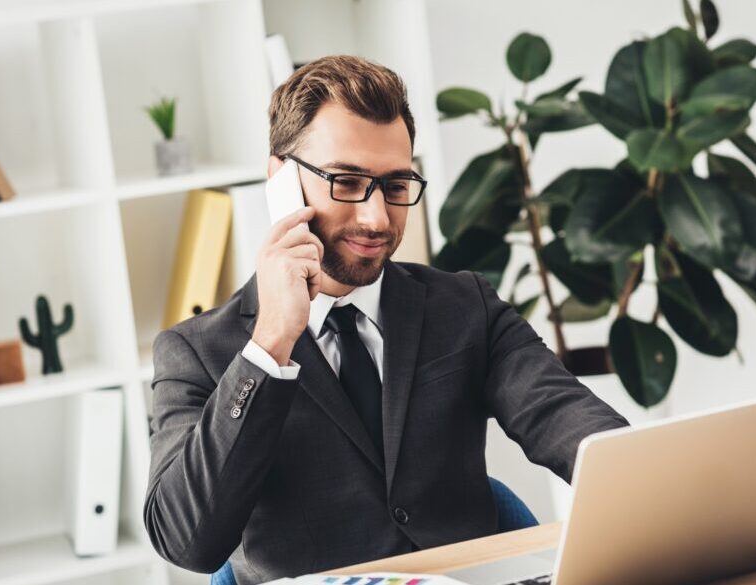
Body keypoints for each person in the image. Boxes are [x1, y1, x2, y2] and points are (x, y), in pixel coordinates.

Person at [143, 55, 629, 585]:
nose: (376, 219)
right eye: (347, 182)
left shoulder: (465, 306)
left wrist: (650, 486)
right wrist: (269, 345)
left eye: (396, 186)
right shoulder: (195, 351)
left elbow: (571, 423)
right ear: (279, 182)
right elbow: (185, 541)